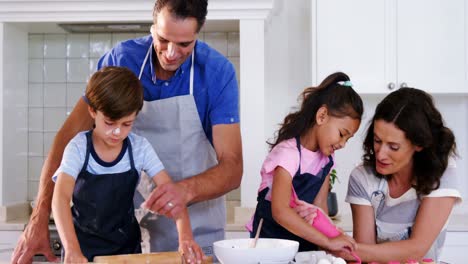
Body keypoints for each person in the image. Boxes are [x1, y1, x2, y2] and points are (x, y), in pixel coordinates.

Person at [12, 0, 242, 263]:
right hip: (128, 225)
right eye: (164, 39)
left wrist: (183, 193)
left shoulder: (216, 72)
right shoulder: (122, 60)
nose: (170, 53)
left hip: (194, 221)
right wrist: (38, 218)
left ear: (197, 35)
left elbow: (233, 167)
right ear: (153, 27)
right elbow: (66, 140)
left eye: (184, 45)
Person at [51, 66, 203, 263]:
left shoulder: (139, 148)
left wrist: (185, 237)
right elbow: (60, 198)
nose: (117, 132)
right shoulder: (79, 148)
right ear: (92, 111)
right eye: (110, 122)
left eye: (126, 124)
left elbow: (170, 192)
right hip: (81, 249)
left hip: (127, 250)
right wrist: (72, 249)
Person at [246, 72, 362, 253]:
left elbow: (319, 208)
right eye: (341, 134)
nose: (342, 144)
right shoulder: (288, 154)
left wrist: (335, 239)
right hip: (270, 244)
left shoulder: (326, 160)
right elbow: (281, 211)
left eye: (348, 139)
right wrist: (327, 242)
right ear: (322, 116)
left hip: (304, 246)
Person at [343, 87, 462, 263]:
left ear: (419, 144)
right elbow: (364, 256)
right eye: (377, 140)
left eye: (393, 146)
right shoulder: (362, 178)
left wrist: (343, 250)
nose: (381, 154)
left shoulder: (441, 173)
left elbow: (416, 248)